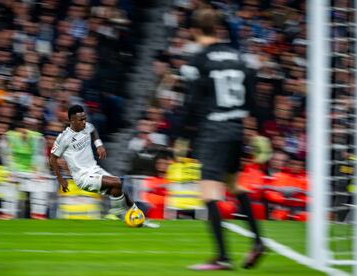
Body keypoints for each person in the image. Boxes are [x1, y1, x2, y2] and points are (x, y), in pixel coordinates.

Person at [178, 9, 265, 270]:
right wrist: (257, 129)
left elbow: (191, 103)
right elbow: (252, 97)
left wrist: (182, 136)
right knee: (235, 184)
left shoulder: (198, 60)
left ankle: (223, 257)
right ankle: (258, 241)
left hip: (214, 130)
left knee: (208, 192)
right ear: (218, 28)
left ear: (194, 31)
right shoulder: (240, 57)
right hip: (236, 128)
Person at [49, 105, 158, 227]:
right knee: (116, 182)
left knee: (118, 188)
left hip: (94, 169)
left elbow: (93, 130)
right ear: (72, 121)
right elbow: (53, 158)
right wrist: (61, 179)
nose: (84, 122)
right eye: (81, 120)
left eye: (85, 119)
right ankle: (117, 212)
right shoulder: (63, 139)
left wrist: (99, 144)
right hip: (82, 177)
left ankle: (139, 217)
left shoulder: (86, 127)